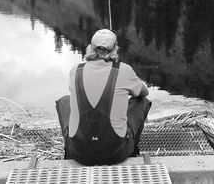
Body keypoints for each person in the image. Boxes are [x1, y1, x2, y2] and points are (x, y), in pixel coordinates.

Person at [56, 29, 151, 166]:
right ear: (114, 49)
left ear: (91, 48)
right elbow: (144, 93)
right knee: (141, 101)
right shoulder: (124, 70)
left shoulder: (75, 70)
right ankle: (133, 149)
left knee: (64, 101)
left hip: (79, 153)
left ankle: (69, 149)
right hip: (117, 153)